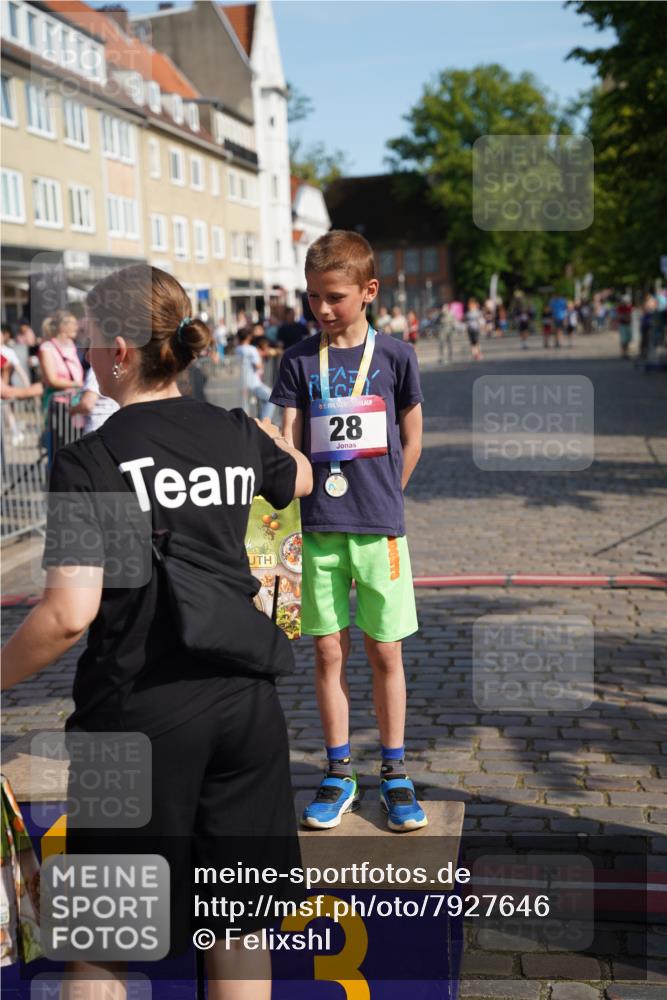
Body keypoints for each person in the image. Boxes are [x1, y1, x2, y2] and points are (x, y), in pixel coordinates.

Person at [1, 264, 313, 999]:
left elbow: (68, 614)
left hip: (136, 715)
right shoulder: (233, 431)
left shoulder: (91, 460)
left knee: (106, 944)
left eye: (87, 342)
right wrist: (270, 437)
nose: (83, 356)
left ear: (119, 350)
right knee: (238, 930)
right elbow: (299, 478)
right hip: (244, 704)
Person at [270, 230, 427, 833]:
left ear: (369, 291)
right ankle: (339, 771)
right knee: (327, 649)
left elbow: (412, 437)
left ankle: (395, 770)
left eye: (334, 296)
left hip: (379, 529)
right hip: (317, 528)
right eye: (313, 296)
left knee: (385, 649)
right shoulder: (297, 360)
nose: (322, 308)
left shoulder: (397, 356)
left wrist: (388, 495)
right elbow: (288, 442)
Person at [236, 328, 274, 420]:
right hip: (253, 383)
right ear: (248, 337)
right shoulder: (252, 349)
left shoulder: (237, 349)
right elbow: (258, 366)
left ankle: (254, 422)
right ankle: (263, 422)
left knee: (247, 408)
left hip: (242, 382)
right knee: (272, 398)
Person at [616, 294, 633, 359]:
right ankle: (623, 353)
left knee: (627, 340)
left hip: (628, 324)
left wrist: (625, 316)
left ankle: (626, 352)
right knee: (623, 340)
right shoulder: (620, 307)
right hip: (622, 325)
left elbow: (629, 315)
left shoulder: (629, 307)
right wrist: (625, 316)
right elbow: (620, 316)